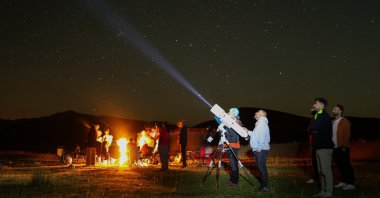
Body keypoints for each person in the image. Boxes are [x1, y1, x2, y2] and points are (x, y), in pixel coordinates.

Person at [309, 98, 334, 197]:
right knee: (320, 171)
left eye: (316, 103)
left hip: (324, 147)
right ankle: (323, 191)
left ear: (322, 106)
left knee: (326, 170)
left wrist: (313, 129)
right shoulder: (317, 116)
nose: (314, 105)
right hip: (318, 146)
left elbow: (313, 127)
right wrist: (313, 128)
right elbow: (309, 129)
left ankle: (329, 192)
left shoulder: (324, 116)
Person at [216, 107, 243, 187]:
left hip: (232, 146)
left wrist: (225, 118)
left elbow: (232, 135)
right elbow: (217, 118)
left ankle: (234, 182)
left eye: (229, 112)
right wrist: (221, 114)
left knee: (233, 164)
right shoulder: (232, 121)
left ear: (233, 113)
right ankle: (233, 180)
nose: (228, 112)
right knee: (233, 164)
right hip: (230, 146)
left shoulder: (235, 122)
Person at [332, 104, 355, 190]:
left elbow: (347, 135)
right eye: (333, 109)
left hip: (342, 147)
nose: (333, 110)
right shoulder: (333, 122)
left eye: (335, 109)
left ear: (340, 111)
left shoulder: (345, 121)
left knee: (346, 165)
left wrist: (344, 146)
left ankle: (351, 183)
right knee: (339, 165)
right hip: (334, 147)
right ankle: (343, 181)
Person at [247, 110, 270, 192]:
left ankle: (265, 187)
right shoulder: (259, 124)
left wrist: (259, 148)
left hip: (261, 149)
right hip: (259, 149)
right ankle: (263, 185)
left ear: (261, 114)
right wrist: (248, 131)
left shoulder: (262, 124)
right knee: (260, 167)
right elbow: (255, 135)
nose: (255, 113)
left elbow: (262, 137)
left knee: (262, 168)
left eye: (257, 112)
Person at [307, 109, 320, 185]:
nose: (311, 109)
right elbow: (309, 129)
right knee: (314, 162)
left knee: (318, 162)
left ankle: (319, 179)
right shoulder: (312, 119)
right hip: (313, 143)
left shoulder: (318, 119)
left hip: (318, 143)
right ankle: (315, 178)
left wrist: (312, 130)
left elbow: (315, 129)